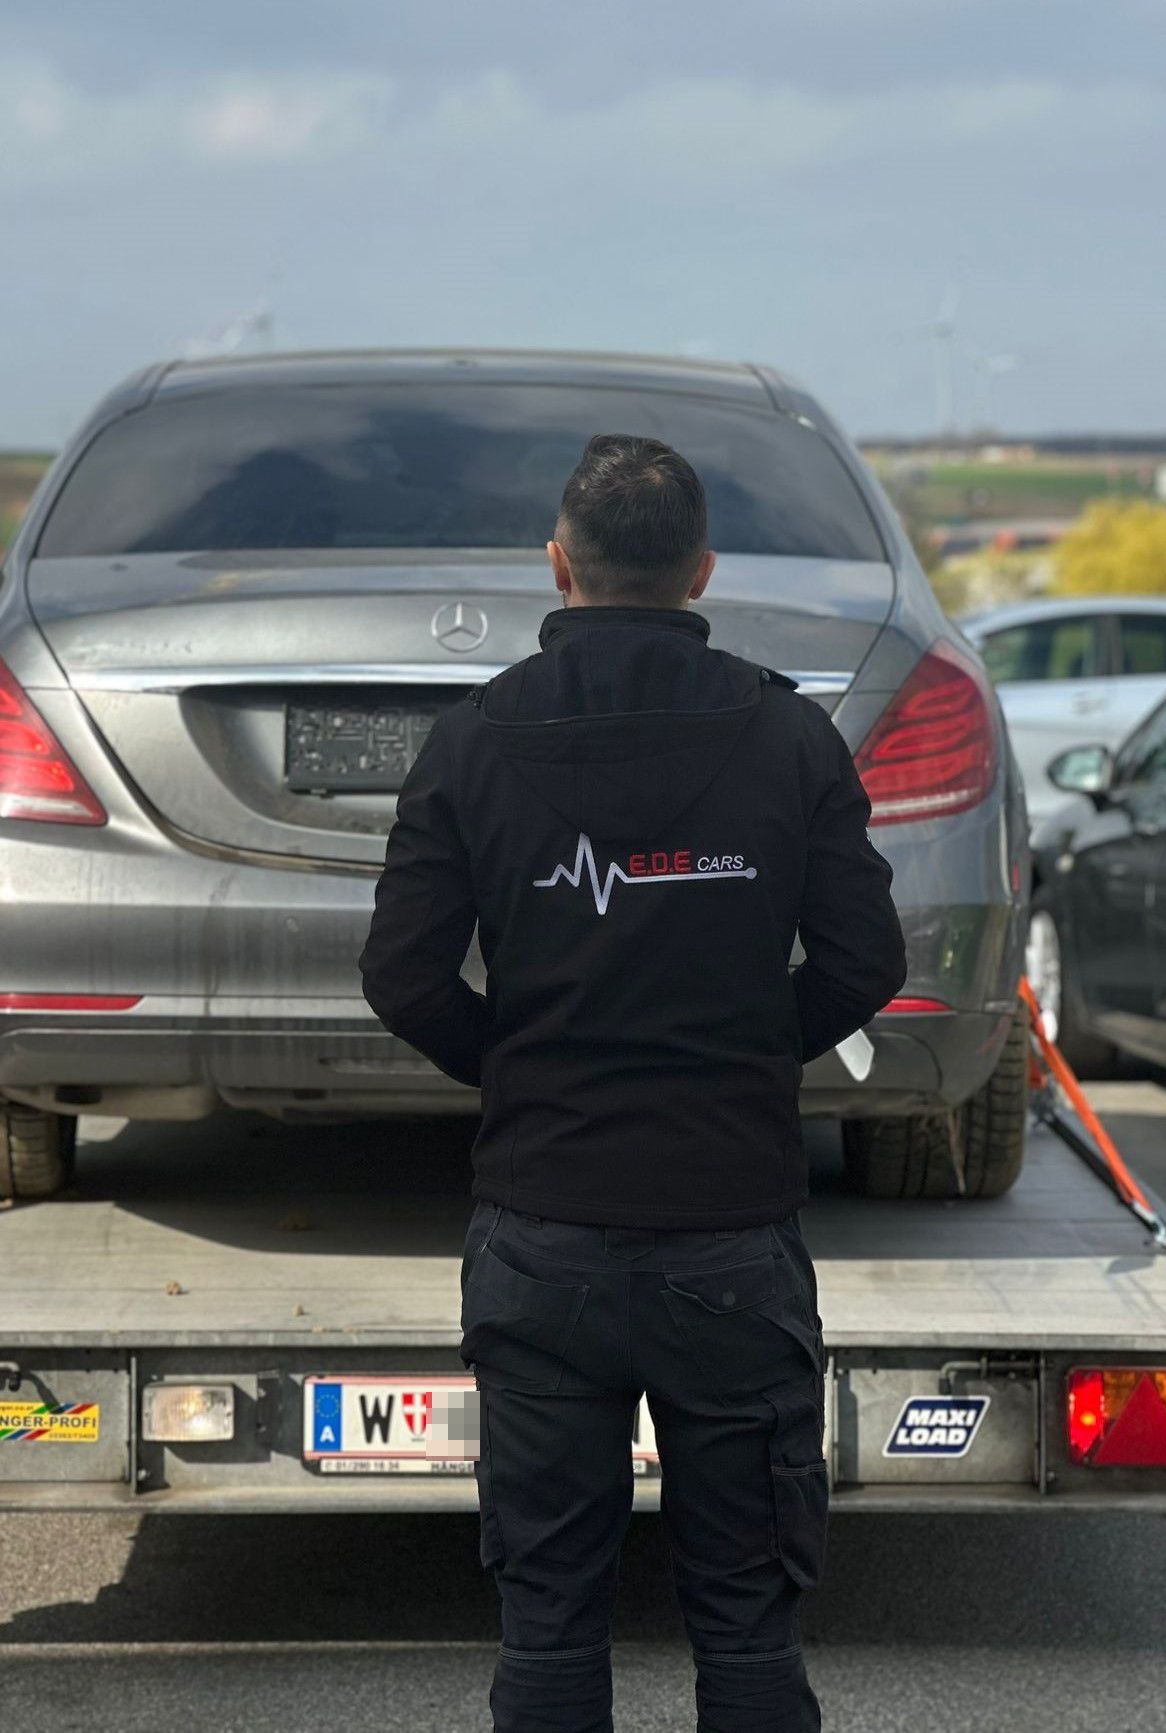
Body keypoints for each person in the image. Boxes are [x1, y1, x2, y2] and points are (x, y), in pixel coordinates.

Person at [362, 433, 905, 1732]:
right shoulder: (787, 734)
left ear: (560, 563)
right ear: (701, 568)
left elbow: (401, 975)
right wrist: (748, 1045)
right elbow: (867, 957)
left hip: (543, 1231)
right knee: (748, 1622)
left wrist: (524, 1064)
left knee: (549, 1623)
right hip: (730, 1230)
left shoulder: (473, 741)